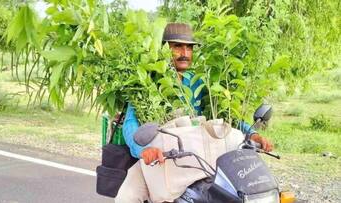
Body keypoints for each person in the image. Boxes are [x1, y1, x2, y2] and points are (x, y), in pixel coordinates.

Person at [115, 23, 273, 203]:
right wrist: (144, 150)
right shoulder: (147, 83)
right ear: (164, 49)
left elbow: (226, 117)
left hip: (200, 159)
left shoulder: (198, 83)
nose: (185, 53)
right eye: (177, 47)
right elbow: (130, 124)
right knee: (127, 196)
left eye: (189, 47)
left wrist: (252, 134)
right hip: (162, 161)